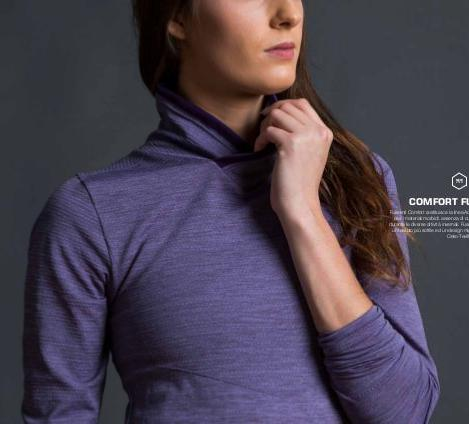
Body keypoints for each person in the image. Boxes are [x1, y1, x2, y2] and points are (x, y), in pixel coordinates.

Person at [21, 1, 440, 423]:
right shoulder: (92, 213)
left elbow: (404, 413)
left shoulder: (358, 179)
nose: (288, 15)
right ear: (177, 17)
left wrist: (303, 213)